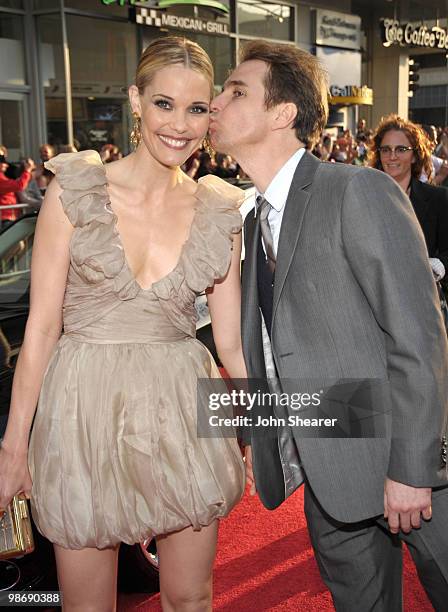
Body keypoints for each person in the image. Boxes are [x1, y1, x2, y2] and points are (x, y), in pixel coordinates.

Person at [0, 36, 246, 611]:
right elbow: (40, 329)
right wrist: (14, 447)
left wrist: (259, 425)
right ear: (136, 101)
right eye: (164, 103)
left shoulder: (218, 209)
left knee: (191, 598)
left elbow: (231, 343)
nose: (180, 126)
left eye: (196, 108)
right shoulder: (76, 192)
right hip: (82, 411)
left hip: (184, 410)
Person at [210, 39, 448, 611]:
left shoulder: (356, 190)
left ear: (282, 113)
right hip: (327, 478)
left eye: (236, 91)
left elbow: (417, 336)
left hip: (410, 470)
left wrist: (413, 469)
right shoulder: (245, 220)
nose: (216, 103)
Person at [370, 114, 448, 282]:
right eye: (386, 149)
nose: (392, 156)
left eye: (401, 149)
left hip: (422, 296)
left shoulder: (438, 199)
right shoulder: (364, 198)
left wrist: (439, 265)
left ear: (414, 155)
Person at [0, 153, 35, 223]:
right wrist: (27, 171)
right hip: (5, 219)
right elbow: (19, 185)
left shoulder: (2, 177)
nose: (7, 165)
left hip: (10, 216)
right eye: (3, 162)